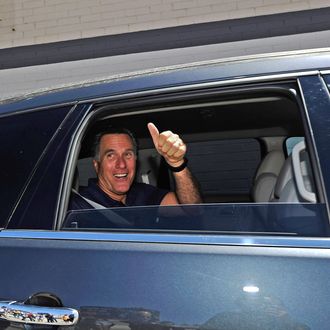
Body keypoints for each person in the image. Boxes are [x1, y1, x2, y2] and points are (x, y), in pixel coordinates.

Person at [69, 122, 202, 209]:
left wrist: (177, 164)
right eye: (111, 155)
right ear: (97, 165)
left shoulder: (143, 194)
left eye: (128, 155)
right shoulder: (78, 205)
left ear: (136, 161)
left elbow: (193, 210)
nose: (121, 164)